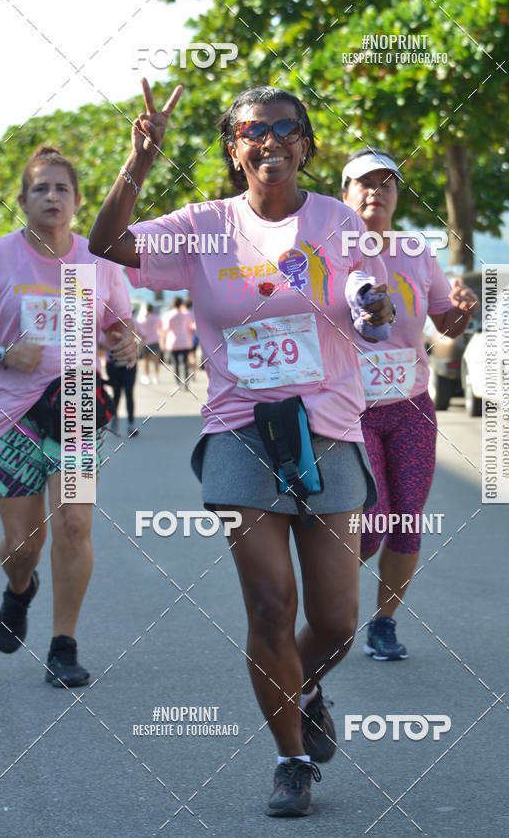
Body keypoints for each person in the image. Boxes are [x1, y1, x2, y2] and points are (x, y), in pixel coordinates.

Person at [88, 80, 393, 817]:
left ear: (306, 145)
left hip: (328, 430)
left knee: (336, 620)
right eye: (254, 130)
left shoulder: (338, 222)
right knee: (267, 604)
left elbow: (369, 310)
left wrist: (373, 308)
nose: (271, 140)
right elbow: (106, 244)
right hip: (238, 431)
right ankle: (291, 759)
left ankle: (307, 685)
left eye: (287, 128)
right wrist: (139, 162)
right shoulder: (202, 226)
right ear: (235, 150)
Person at [0, 146, 136, 687]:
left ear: (76, 200)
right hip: (8, 414)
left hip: (74, 404)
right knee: (24, 545)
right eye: (40, 188)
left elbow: (119, 326)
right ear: (23, 199)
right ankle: (18, 589)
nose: (52, 197)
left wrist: (126, 345)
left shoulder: (95, 261)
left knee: (75, 523)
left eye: (62, 189)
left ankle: (63, 646)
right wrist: (2, 352)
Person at [342, 147, 478, 661]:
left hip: (411, 406)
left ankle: (383, 623)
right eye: (365, 183)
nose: (376, 192)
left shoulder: (417, 251)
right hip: (351, 409)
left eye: (387, 184)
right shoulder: (327, 251)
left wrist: (463, 310)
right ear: (345, 193)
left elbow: (445, 323)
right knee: (372, 521)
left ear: (398, 194)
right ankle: (328, 603)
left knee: (406, 520)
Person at [161, 296, 196, 388]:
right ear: (181, 304)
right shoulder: (186, 315)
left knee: (175, 363)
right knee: (184, 362)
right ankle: (186, 382)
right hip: (185, 341)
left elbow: (165, 330)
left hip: (173, 342)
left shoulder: (168, 315)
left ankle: (177, 383)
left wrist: (162, 342)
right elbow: (191, 327)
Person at [136, 302, 162, 384]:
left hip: (145, 342)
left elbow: (137, 331)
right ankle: (156, 377)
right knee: (156, 360)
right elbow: (161, 327)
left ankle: (146, 376)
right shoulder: (157, 317)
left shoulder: (141, 319)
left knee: (145, 360)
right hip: (155, 340)